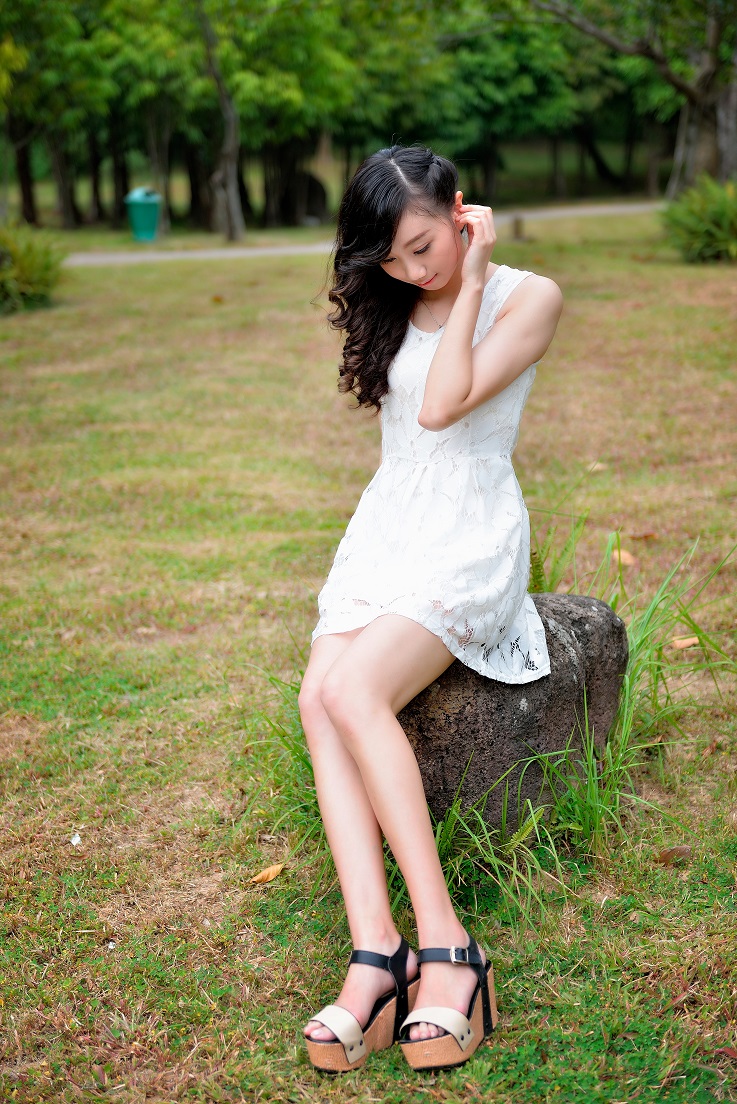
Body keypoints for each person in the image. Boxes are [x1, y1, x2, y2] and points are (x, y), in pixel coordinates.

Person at [298, 145, 563, 1073]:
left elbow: (444, 405)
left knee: (355, 691)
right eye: (392, 259)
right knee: (317, 698)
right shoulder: (397, 298)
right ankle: (376, 953)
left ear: (461, 210)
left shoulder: (527, 296)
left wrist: (475, 272)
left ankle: (449, 945)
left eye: (424, 246)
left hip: (469, 531)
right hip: (387, 528)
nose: (413, 271)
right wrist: (426, 274)